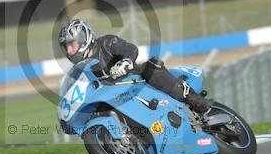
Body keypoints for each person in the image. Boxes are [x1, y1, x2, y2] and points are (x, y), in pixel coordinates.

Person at [58, 18, 213, 114]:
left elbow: (129, 49)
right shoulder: (80, 71)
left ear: (84, 38)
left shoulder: (106, 43)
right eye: (67, 47)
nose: (70, 50)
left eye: (72, 44)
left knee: (150, 68)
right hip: (116, 97)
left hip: (136, 80)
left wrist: (125, 62)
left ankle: (193, 100)